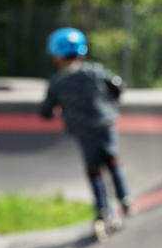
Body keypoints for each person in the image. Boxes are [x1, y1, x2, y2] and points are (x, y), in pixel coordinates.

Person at [38, 27, 131, 234]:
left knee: (94, 170)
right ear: (82, 52)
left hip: (84, 131)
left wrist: (53, 113)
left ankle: (103, 209)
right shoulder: (94, 71)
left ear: (56, 56)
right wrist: (113, 99)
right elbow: (117, 85)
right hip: (105, 125)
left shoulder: (58, 82)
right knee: (113, 162)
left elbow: (45, 110)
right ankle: (125, 199)